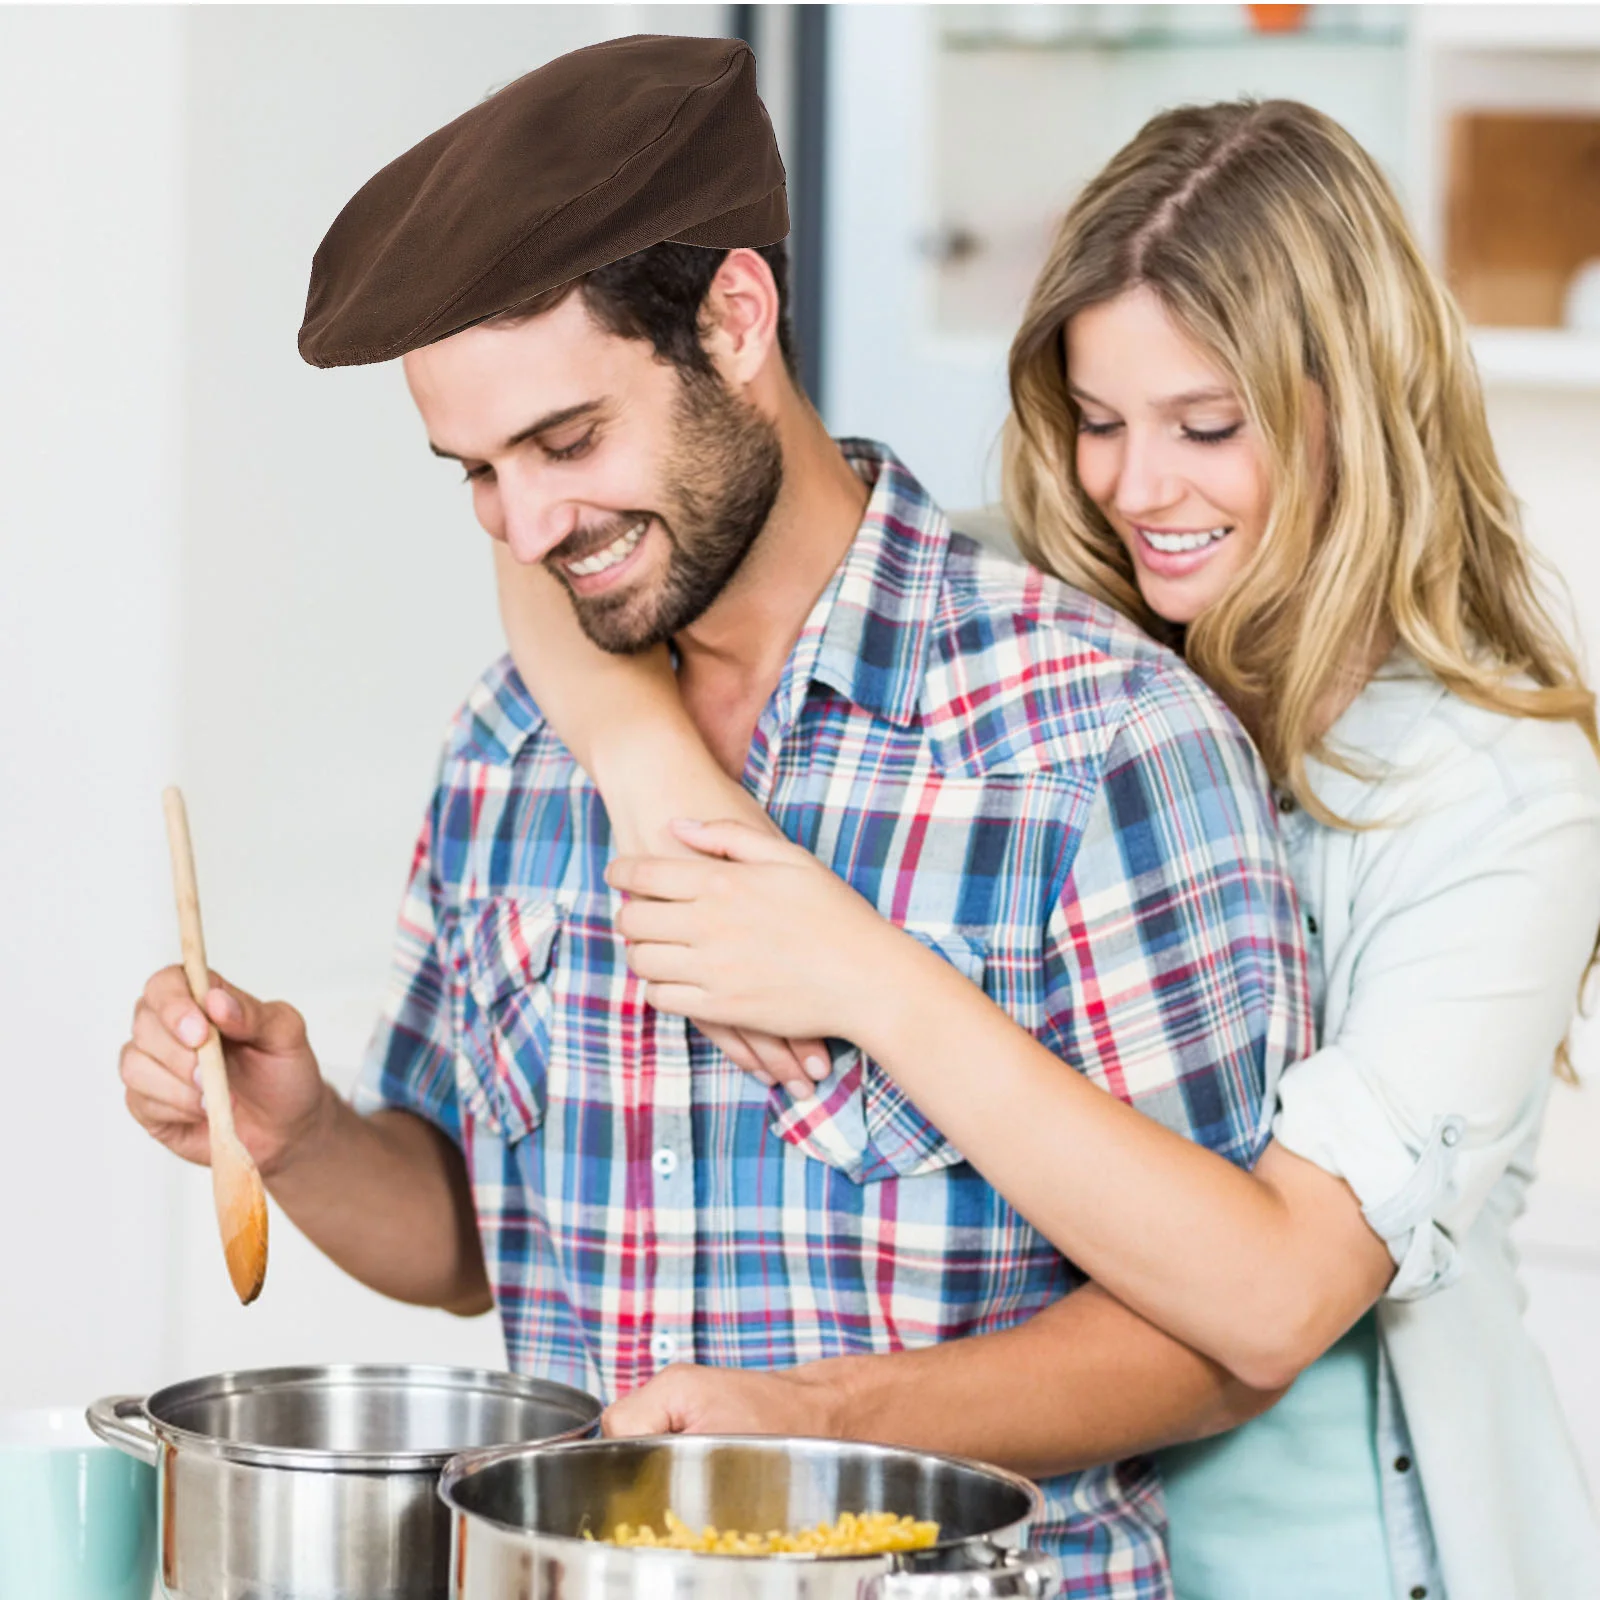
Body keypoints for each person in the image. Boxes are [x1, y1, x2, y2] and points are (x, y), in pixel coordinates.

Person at [113, 40, 1311, 1600]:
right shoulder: (512, 742)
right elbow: (472, 1237)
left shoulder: (1094, 741)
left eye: (566, 441)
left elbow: (1218, 1336)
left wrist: (805, 1435)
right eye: (475, 472)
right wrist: (302, 1137)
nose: (529, 528)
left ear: (736, 320)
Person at [493, 100, 1600, 1600]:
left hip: (1346, 1559)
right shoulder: (1036, 641)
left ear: (1362, 402)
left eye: (1208, 425)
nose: (1140, 490)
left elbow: (1277, 1297)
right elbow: (545, 551)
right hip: (1068, 1550)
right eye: (1098, 422)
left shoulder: (1506, 795)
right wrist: (650, 783)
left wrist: (866, 977)